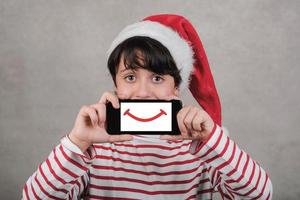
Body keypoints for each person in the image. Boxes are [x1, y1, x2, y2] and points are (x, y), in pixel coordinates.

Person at [22, 14, 273, 199]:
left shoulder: (203, 145)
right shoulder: (92, 147)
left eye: (157, 78)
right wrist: (76, 142)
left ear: (176, 87)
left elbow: (260, 195)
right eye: (130, 77)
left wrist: (213, 140)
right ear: (115, 85)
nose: (142, 92)